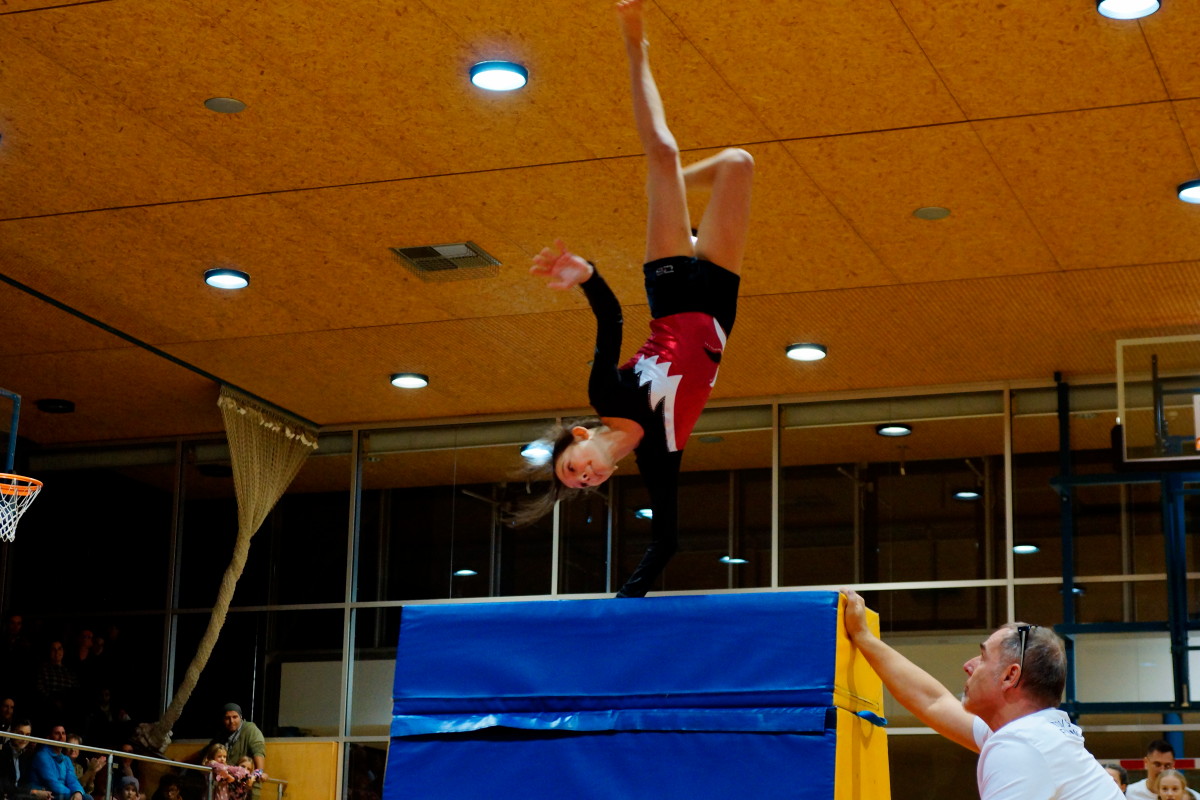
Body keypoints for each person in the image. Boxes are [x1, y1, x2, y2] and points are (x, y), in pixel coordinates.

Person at [520, 0, 755, 597]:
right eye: (583, 484)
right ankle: (667, 189)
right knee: (739, 163)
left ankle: (634, 44)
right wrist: (622, 606)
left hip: (671, 293)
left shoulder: (607, 394)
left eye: (573, 468)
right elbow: (666, 540)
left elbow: (611, 318)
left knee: (664, 152)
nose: (586, 476)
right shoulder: (660, 455)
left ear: (580, 437)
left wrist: (587, 274)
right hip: (720, 307)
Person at [841, 588, 1123, 800]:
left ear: (1010, 676)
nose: (968, 665)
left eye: (983, 657)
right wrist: (863, 637)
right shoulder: (1034, 733)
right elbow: (933, 702)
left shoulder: (1020, 745)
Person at [30, 723, 91, 800]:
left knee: (87, 797)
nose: (61, 737)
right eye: (57, 733)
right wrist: (72, 794)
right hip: (47, 794)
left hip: (63, 794)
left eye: (63, 733)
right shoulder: (42, 755)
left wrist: (77, 792)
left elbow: (72, 780)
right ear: (49, 738)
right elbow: (52, 783)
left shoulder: (66, 759)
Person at [1128, 741, 1200, 800]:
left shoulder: (1194, 797)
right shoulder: (1129, 793)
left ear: (1173, 764)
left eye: (1167, 765)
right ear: (1146, 762)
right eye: (1157, 764)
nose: (1162, 770)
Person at [0, 720, 51, 800]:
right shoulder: (3, 753)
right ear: (11, 733)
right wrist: (33, 792)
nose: (24, 739)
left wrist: (39, 790)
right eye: (21, 734)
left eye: (27, 735)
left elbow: (24, 784)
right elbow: (6, 787)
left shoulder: (24, 756)